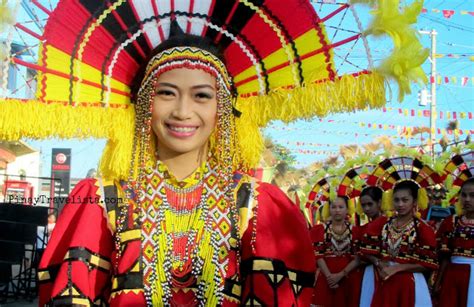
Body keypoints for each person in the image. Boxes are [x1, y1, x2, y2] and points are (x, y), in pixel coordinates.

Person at [37, 24, 315, 306]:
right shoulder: (104, 199)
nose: (183, 112)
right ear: (145, 102)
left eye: (202, 95)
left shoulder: (254, 203)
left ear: (222, 107)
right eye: (167, 93)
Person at [360, 180, 438, 307]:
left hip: (410, 283)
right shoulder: (383, 224)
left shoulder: (423, 229)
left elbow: (428, 263)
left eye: (405, 200)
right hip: (386, 280)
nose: (400, 204)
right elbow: (366, 251)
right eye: (396, 200)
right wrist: (378, 263)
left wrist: (397, 268)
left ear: (414, 201)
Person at [311, 196, 362, 307]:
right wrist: (330, 277)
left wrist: (341, 275)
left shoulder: (355, 231)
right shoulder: (319, 229)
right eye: (333, 207)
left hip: (348, 277)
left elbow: (357, 259)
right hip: (326, 276)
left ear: (347, 209)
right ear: (329, 209)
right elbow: (318, 255)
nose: (337, 210)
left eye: (341, 207)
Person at [435, 177, 474, 307]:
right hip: (452, 276)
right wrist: (438, 282)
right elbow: (444, 256)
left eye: (472, 195)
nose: (467, 199)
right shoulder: (451, 222)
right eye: (464, 195)